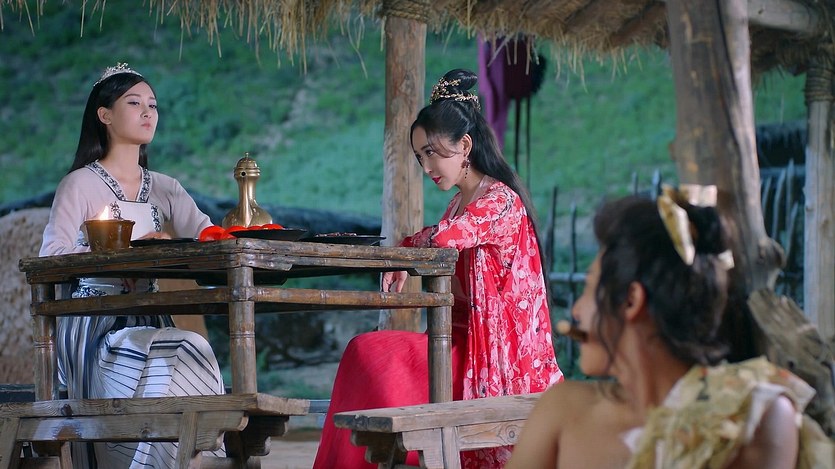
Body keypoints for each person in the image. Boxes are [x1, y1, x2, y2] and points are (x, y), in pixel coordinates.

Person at [313, 68, 563, 469]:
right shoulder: (459, 204)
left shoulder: (500, 202)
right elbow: (435, 235)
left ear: (465, 145)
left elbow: (445, 238)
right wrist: (402, 251)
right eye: (419, 156)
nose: (426, 165)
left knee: (369, 353)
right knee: (365, 354)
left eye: (431, 152)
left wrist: (404, 254)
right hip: (457, 346)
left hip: (496, 360)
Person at [506, 188, 833, 468]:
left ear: (631, 301)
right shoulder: (562, 410)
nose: (576, 310)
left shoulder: (750, 414)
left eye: (589, 288)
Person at [39, 63, 225, 468]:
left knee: (189, 357)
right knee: (187, 349)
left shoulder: (165, 187)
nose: (148, 112)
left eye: (153, 105)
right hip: (94, 323)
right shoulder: (80, 184)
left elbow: (208, 238)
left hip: (148, 317)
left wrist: (195, 241)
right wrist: (120, 253)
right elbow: (51, 256)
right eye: (134, 103)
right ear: (104, 115)